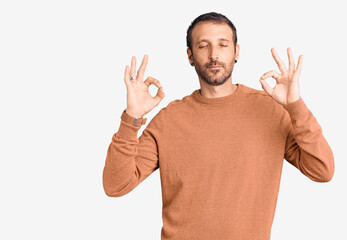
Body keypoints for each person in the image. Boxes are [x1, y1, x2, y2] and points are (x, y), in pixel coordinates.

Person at [102, 12, 334, 240]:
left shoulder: (271, 111)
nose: (214, 55)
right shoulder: (168, 120)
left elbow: (322, 170)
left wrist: (295, 106)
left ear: (236, 52)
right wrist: (131, 118)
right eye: (203, 45)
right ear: (190, 56)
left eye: (223, 44)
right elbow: (116, 185)